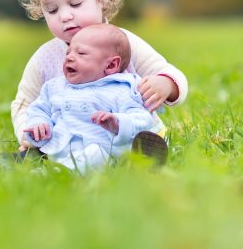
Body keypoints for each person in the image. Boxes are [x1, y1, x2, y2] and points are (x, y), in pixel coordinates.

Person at [11, 0, 188, 160]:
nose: (65, 16)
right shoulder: (45, 58)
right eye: (52, 9)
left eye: (75, 4)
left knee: (136, 151)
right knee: (34, 159)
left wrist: (165, 84)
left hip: (123, 140)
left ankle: (145, 157)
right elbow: (25, 103)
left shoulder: (125, 43)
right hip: (69, 146)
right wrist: (28, 131)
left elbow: (171, 74)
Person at [22, 23, 164, 172]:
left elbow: (142, 118)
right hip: (60, 147)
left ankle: (62, 172)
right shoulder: (54, 87)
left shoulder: (120, 89)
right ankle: (54, 167)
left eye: (81, 53)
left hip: (102, 151)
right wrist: (39, 123)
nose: (69, 57)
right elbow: (39, 109)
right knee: (42, 154)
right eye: (68, 53)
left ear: (110, 65)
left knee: (95, 154)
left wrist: (118, 122)